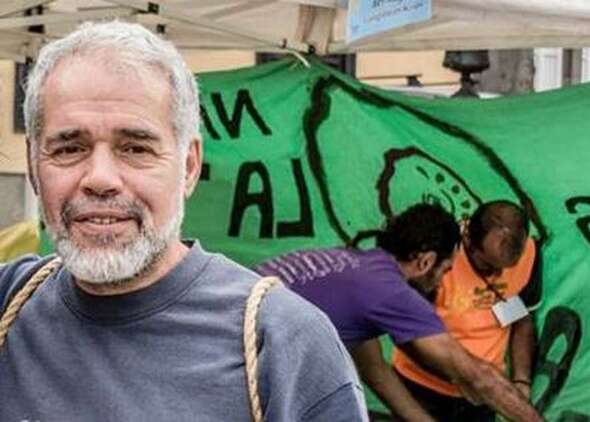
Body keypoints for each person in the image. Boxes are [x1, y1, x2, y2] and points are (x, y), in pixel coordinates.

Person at [0, 21, 367, 421]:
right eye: (69, 148)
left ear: (189, 166)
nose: (100, 179)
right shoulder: (10, 304)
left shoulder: (281, 342)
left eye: (135, 148)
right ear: (35, 165)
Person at [254, 203, 542, 422]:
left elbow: (375, 370)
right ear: (425, 262)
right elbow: (478, 376)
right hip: (239, 364)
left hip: (225, 338)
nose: (443, 282)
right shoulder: (391, 292)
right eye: (444, 271)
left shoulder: (355, 267)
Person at [393, 200, 540, 421]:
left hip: (483, 395)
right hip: (422, 388)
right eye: (487, 265)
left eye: (507, 267)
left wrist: (521, 381)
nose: (497, 274)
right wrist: (464, 377)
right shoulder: (435, 259)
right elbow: (407, 336)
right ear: (468, 240)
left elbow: (521, 318)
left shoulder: (528, 254)